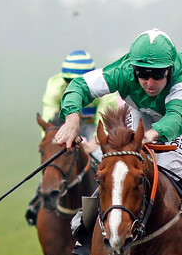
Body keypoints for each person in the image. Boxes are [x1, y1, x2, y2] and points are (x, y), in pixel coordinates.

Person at [54, 28, 182, 255]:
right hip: (137, 110)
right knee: (123, 165)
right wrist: (72, 119)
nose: (149, 82)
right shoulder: (123, 71)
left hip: (172, 117)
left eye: (157, 75)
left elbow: (176, 116)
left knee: (170, 165)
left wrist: (153, 133)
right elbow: (79, 86)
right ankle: (86, 225)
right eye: (142, 75)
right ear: (132, 69)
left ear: (170, 70)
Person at [25, 50, 120, 226]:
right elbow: (48, 121)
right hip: (65, 123)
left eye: (79, 81)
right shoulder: (54, 86)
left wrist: (92, 144)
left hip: (94, 127)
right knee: (53, 158)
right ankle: (38, 198)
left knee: (102, 159)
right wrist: (53, 141)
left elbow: (104, 119)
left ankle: (111, 204)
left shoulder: (104, 86)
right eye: (69, 81)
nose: (73, 86)